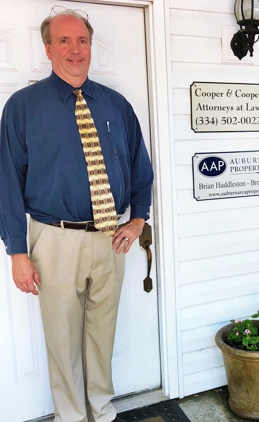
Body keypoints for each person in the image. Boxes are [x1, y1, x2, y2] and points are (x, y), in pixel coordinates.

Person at [0, 7, 153, 422]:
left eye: (82, 40)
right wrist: (17, 250)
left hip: (109, 238)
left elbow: (141, 167)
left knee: (102, 335)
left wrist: (138, 218)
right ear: (48, 48)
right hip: (54, 240)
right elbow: (7, 180)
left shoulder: (116, 105)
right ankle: (71, 416)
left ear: (90, 46)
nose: (75, 49)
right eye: (64, 41)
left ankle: (102, 411)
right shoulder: (23, 107)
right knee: (62, 339)